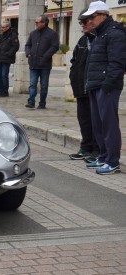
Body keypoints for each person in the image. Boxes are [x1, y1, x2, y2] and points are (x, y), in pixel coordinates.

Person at [82, 1, 126, 175]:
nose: (89, 21)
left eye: (92, 17)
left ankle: (112, 161)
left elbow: (117, 62)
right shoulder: (100, 34)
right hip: (95, 84)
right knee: (98, 124)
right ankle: (104, 155)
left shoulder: (115, 33)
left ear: (103, 15)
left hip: (106, 86)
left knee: (108, 124)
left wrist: (108, 84)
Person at [68, 9, 99, 163]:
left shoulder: (99, 39)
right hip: (80, 87)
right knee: (84, 119)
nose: (82, 25)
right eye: (81, 22)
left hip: (94, 87)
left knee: (96, 120)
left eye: (85, 22)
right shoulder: (82, 40)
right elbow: (74, 60)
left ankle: (97, 150)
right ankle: (85, 147)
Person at [25, 15, 59, 109]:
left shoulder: (52, 34)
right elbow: (27, 45)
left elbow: (55, 46)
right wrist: (28, 53)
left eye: (37, 22)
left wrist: (45, 56)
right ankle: (31, 101)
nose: (35, 24)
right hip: (33, 63)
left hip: (45, 64)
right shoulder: (33, 33)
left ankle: (42, 103)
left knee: (44, 85)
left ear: (44, 23)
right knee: (32, 84)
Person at [0, 22, 19, 97]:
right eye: (2, 27)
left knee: (4, 75)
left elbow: (15, 46)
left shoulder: (13, 35)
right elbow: (1, 46)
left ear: (8, 27)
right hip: (0, 58)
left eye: (3, 27)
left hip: (6, 58)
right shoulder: (2, 35)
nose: (2, 29)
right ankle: (0, 90)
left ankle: (5, 91)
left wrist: (8, 54)